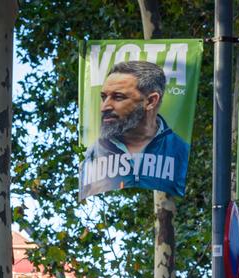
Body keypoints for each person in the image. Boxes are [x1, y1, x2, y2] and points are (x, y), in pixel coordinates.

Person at [79, 60, 190, 200]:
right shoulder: (91, 156)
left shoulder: (181, 152)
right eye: (103, 97)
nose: (104, 107)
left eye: (118, 97)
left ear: (150, 101)